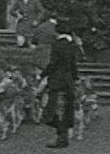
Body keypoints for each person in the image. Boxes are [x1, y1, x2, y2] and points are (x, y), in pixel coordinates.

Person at [39, 19, 79, 149]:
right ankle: (63, 137)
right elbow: (73, 65)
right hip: (68, 81)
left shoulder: (57, 45)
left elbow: (53, 63)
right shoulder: (72, 45)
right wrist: (75, 78)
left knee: (58, 110)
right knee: (65, 109)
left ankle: (61, 138)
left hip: (57, 80)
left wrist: (43, 74)